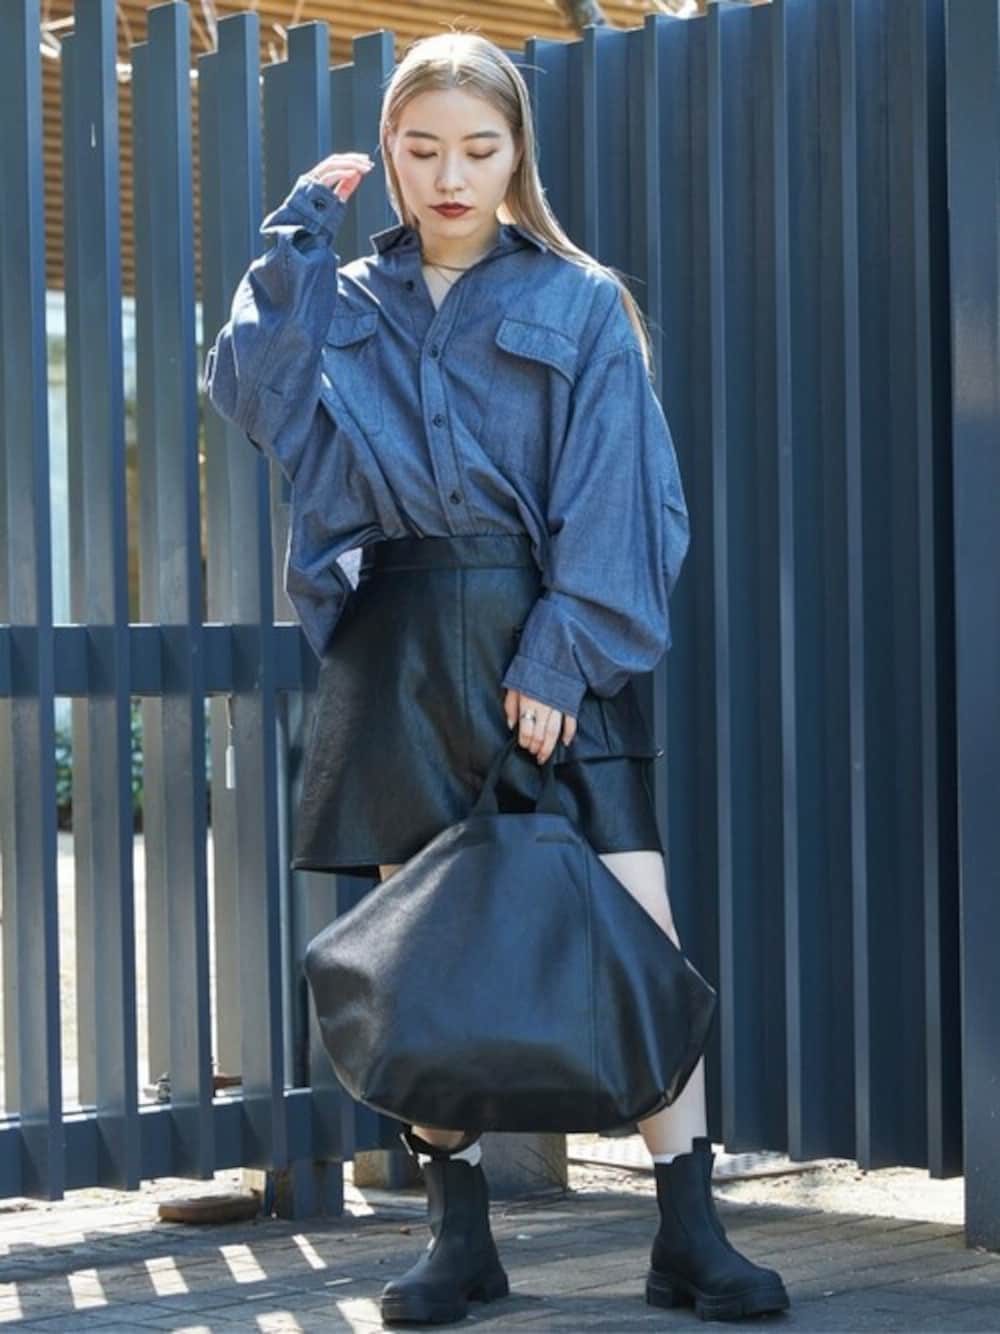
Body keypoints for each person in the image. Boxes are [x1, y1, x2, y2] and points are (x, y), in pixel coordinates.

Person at [203, 28, 789, 1328]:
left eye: (478, 148)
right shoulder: (342, 298)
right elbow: (253, 394)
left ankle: (690, 1230)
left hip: (549, 641)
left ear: (518, 152)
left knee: (638, 937)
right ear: (391, 156)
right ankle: (456, 1236)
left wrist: (564, 653)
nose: (451, 175)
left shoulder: (580, 302)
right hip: (401, 648)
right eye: (422, 150)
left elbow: (626, 493)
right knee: (426, 958)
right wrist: (294, 244)